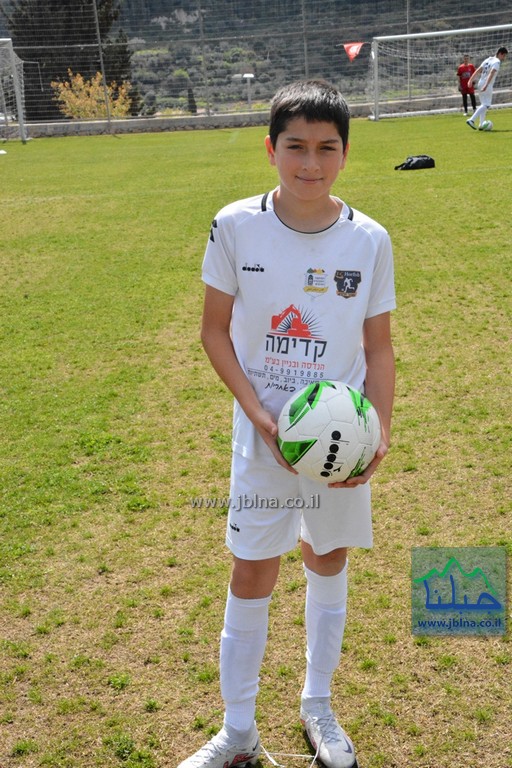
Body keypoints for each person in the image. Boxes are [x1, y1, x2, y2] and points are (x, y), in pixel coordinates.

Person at [177, 79, 396, 768]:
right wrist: (259, 414)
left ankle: (317, 705)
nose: (311, 163)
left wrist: (377, 434)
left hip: (340, 440)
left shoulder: (369, 240)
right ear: (270, 149)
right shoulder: (235, 225)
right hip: (263, 433)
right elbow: (213, 331)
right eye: (296, 147)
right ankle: (238, 732)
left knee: (326, 559)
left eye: (327, 148)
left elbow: (379, 349)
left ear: (346, 153)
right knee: (252, 570)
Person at [466, 46, 508, 129]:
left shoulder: (488, 59)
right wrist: (486, 85)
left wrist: (470, 80)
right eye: (504, 56)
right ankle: (471, 120)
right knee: (487, 105)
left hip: (480, 82)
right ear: (500, 54)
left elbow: (478, 70)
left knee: (483, 104)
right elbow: (491, 73)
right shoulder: (497, 62)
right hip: (486, 84)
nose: (504, 58)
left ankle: (481, 125)